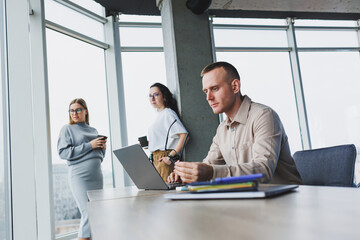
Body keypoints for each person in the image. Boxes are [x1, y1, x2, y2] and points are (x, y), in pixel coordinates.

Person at [168, 61, 302, 185]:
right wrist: (186, 174)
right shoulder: (222, 129)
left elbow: (264, 170)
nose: (208, 97)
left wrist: (211, 173)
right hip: (251, 199)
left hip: (286, 200)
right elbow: (208, 164)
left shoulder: (264, 116)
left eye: (214, 88)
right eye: (206, 91)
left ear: (235, 86)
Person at [57, 98, 106, 240]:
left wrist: (102, 149)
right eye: (72, 110)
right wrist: (90, 145)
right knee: (88, 212)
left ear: (85, 111)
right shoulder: (67, 129)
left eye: (78, 110)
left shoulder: (93, 130)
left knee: (95, 213)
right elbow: (63, 153)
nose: (75, 113)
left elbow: (99, 156)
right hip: (79, 175)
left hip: (96, 175)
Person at [147, 83, 188, 182]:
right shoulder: (160, 115)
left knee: (164, 193)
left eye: (156, 95)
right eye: (150, 95)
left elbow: (184, 135)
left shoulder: (168, 113)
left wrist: (171, 156)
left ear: (164, 97)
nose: (152, 98)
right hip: (155, 158)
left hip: (163, 158)